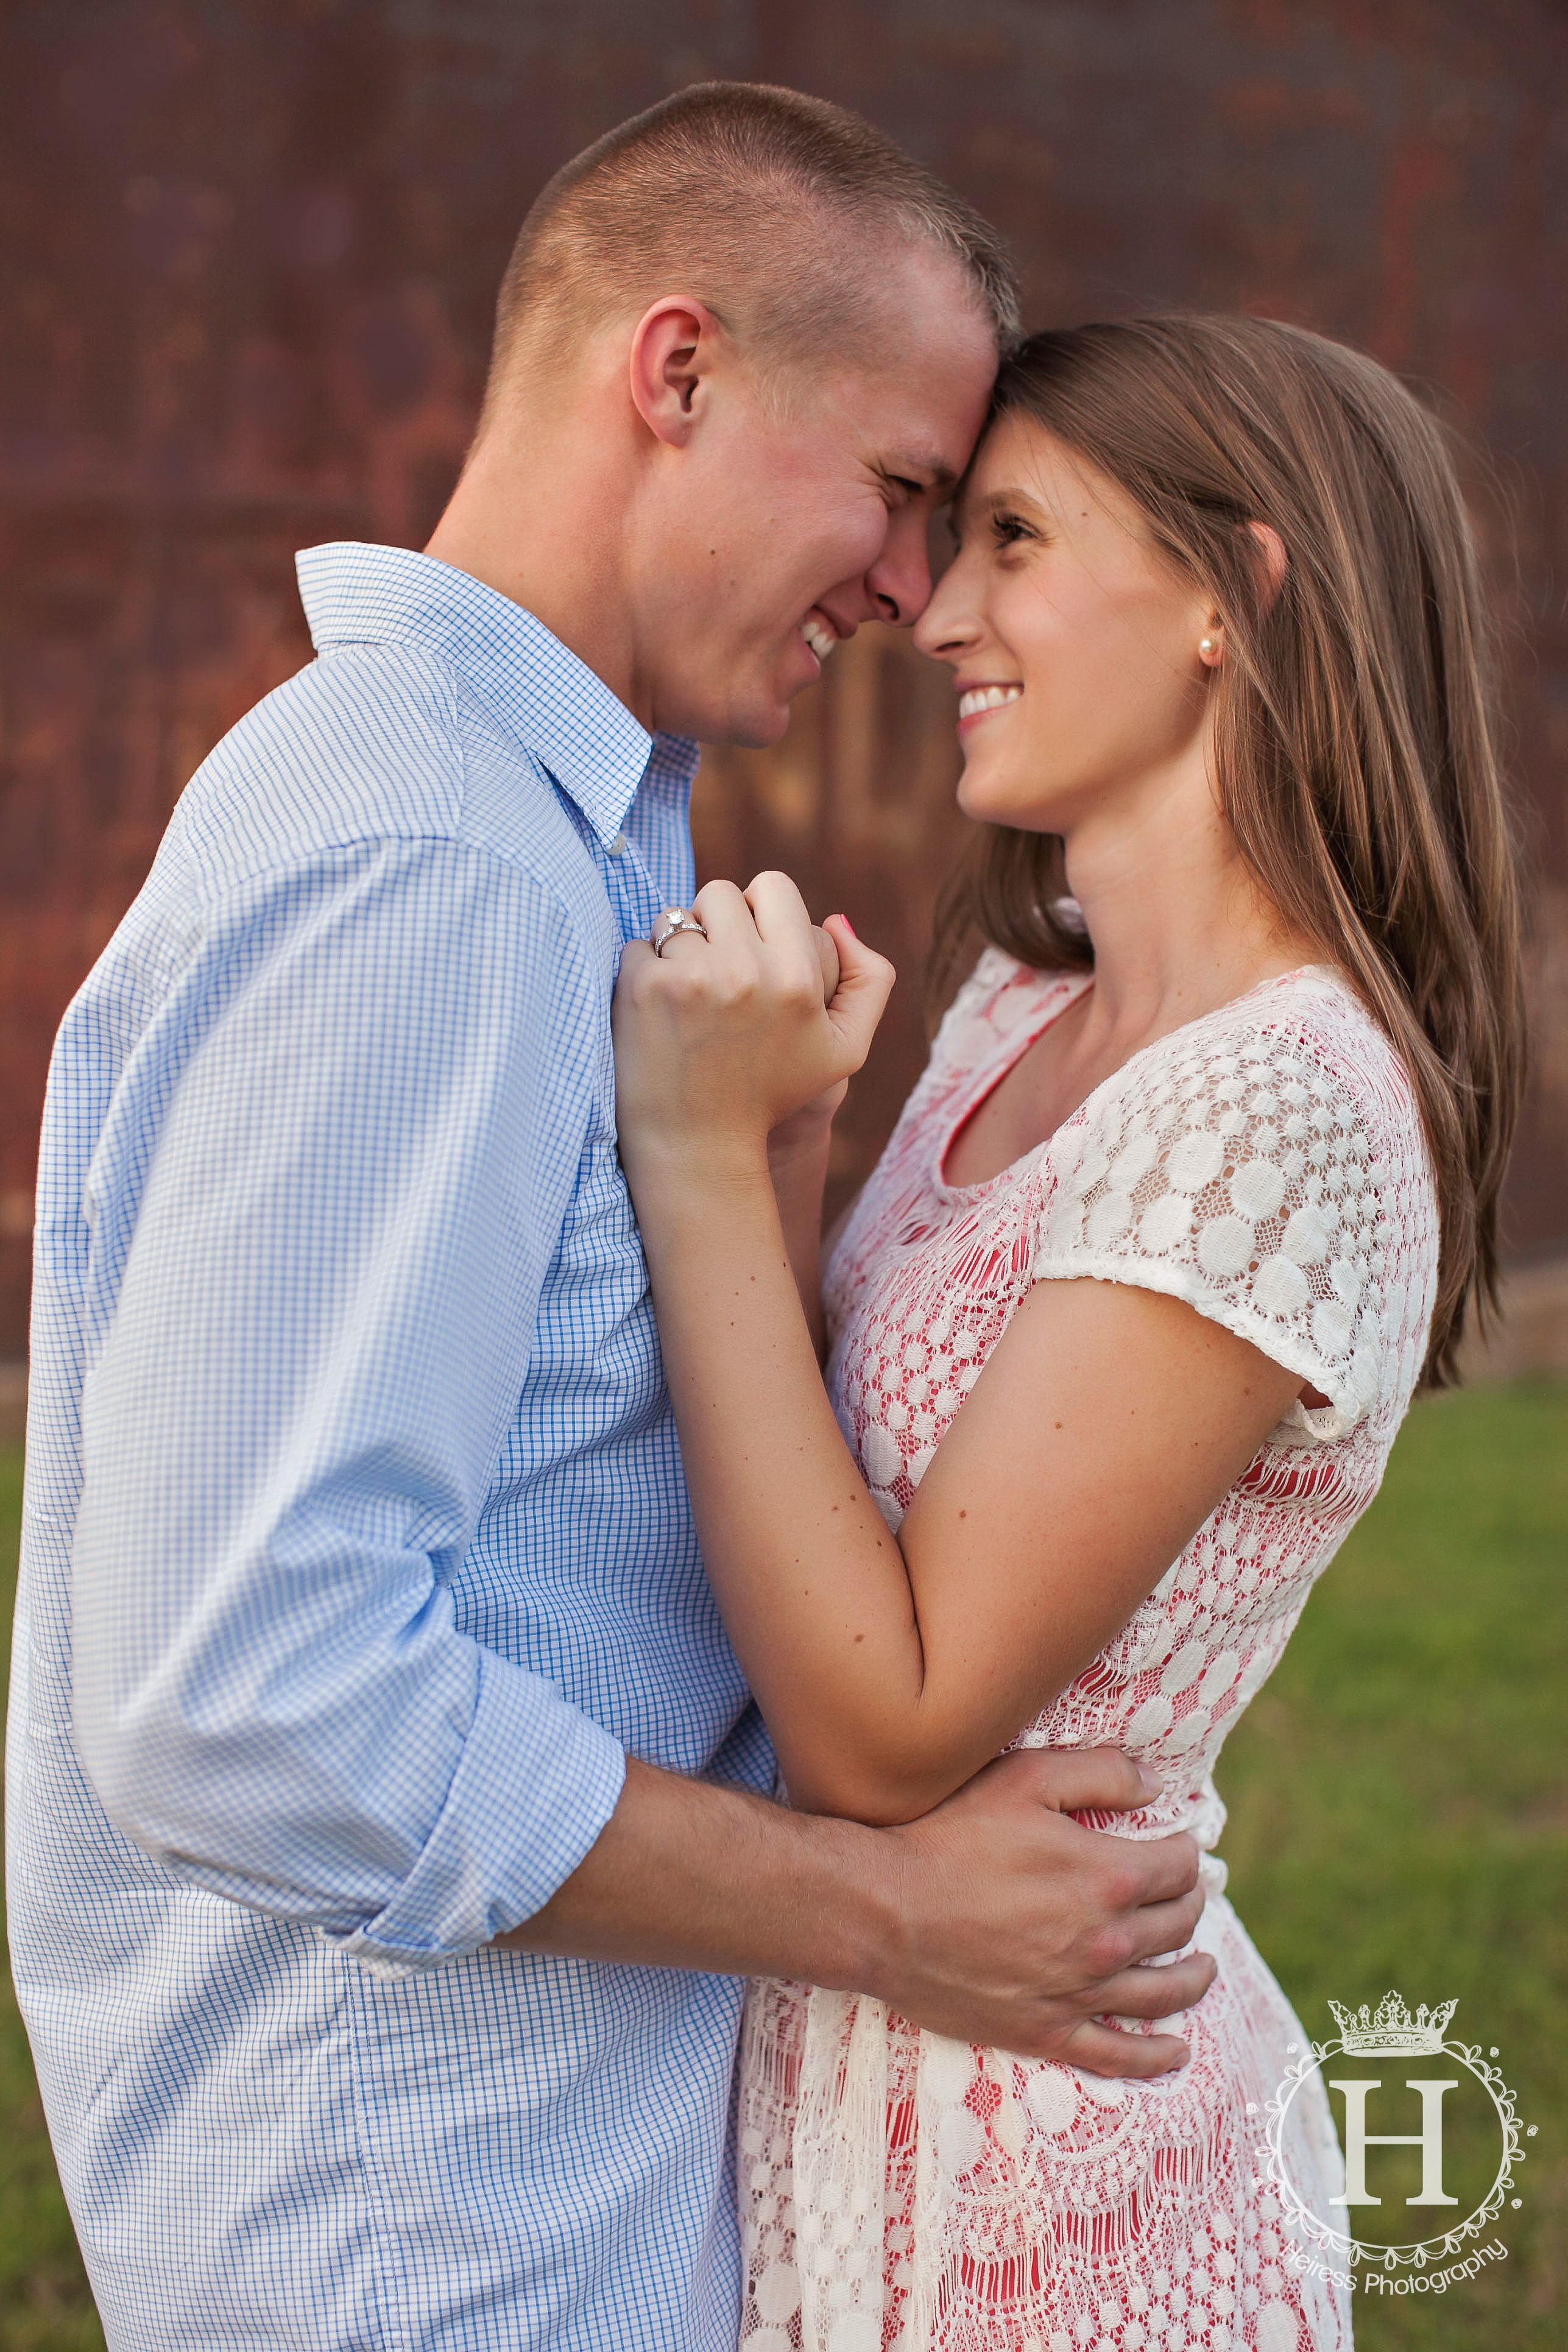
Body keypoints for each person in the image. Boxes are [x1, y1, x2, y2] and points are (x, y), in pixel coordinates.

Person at [6, 88, 1217, 2352]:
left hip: (512, 2201)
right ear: (674, 374)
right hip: (415, 2242)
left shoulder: (562, 833)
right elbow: (247, 1699)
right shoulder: (422, 853)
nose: (913, 589)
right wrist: (886, 1915)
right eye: (896, 492)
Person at [612, 313, 1526, 2351]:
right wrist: (779, 1137)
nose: (936, 613)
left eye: (1016, 536)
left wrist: (690, 1160)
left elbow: (885, 1721)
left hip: (1051, 2190)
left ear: (1237, 596)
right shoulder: (1031, 1012)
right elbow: (811, 1480)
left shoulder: (1280, 1108)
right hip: (825, 2077)